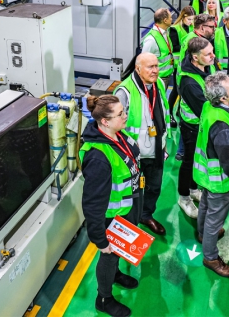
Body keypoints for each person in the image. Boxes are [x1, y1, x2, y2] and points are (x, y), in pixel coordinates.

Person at [80, 95, 142, 317]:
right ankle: (104, 298)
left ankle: (115, 275)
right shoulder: (98, 157)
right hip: (111, 220)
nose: (126, 116)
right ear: (104, 121)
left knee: (115, 258)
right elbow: (93, 204)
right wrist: (100, 240)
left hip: (126, 212)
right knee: (108, 256)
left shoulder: (117, 136)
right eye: (120, 114)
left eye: (124, 111)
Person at [114, 53, 170, 237]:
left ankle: (146, 215)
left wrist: (164, 144)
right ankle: (131, 221)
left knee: (154, 186)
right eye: (150, 67)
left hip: (156, 149)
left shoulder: (159, 84)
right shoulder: (125, 92)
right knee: (133, 191)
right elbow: (115, 126)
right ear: (138, 69)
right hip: (134, 154)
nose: (155, 70)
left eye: (156, 66)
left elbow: (164, 115)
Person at [194, 72, 229, 278]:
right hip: (219, 181)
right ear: (223, 98)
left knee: (205, 205)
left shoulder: (209, 107)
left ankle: (203, 234)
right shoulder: (222, 126)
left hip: (205, 174)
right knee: (215, 218)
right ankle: (211, 257)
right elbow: (226, 162)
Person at [176, 36, 216, 218]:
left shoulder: (205, 68)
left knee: (198, 161)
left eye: (212, 52)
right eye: (208, 54)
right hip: (192, 128)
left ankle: (193, 189)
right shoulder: (188, 81)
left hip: (200, 127)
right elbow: (203, 109)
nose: (213, 56)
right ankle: (184, 197)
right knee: (189, 162)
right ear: (194, 57)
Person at [142, 9, 177, 85]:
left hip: (165, 76)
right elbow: (143, 61)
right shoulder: (151, 39)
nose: (172, 19)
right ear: (165, 20)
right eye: (170, 17)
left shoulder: (165, 32)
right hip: (157, 79)